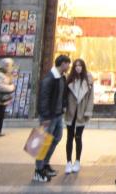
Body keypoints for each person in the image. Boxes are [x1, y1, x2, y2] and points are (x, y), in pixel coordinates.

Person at [33, 55, 70, 183]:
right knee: (43, 142)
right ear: (63, 64)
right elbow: (43, 98)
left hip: (58, 115)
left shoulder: (61, 77)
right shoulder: (49, 78)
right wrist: (45, 116)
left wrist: (63, 106)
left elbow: (62, 95)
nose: (69, 66)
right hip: (48, 116)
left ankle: (45, 164)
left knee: (56, 138)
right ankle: (38, 170)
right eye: (68, 64)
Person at [64, 58, 94, 174]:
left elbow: (91, 98)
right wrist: (64, 107)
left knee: (78, 137)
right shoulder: (69, 78)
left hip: (81, 112)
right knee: (69, 137)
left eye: (80, 65)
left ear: (83, 67)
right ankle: (68, 162)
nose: (78, 68)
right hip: (71, 112)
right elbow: (64, 95)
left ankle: (77, 161)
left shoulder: (88, 80)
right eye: (76, 65)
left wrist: (88, 111)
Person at [0, 58, 15, 137]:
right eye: (11, 65)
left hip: (2, 99)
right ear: (6, 65)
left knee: (0, 115)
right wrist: (11, 87)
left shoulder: (5, 74)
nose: (12, 67)